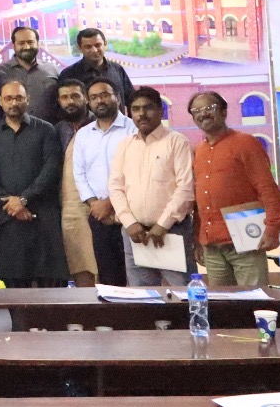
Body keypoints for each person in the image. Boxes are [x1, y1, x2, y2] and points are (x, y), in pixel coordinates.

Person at [189, 90, 280, 287]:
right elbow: (199, 202)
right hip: (212, 246)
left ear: (224, 112)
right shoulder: (199, 151)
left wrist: (273, 227)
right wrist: (197, 239)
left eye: (209, 108)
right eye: (196, 111)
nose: (203, 114)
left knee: (254, 299)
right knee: (221, 302)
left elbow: (267, 188)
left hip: (246, 241)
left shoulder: (246, 143)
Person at [0, 81, 67, 287]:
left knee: (49, 286)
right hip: (7, 217)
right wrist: (12, 203)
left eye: (19, 98)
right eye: (8, 98)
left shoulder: (46, 130)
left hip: (42, 216)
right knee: (12, 284)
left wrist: (23, 199)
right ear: (0, 101)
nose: (14, 103)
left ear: (27, 100)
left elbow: (51, 169)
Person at [110, 87, 195, 288]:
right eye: (136, 109)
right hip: (134, 233)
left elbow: (185, 188)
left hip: (172, 231)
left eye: (148, 108)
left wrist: (163, 224)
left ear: (160, 110)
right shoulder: (125, 145)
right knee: (142, 295)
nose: (141, 114)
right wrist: (129, 222)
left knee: (182, 292)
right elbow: (115, 186)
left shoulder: (177, 142)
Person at [68, 79, 136, 287]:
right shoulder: (83, 134)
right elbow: (79, 174)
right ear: (88, 102)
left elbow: (136, 172)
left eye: (105, 95)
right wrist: (95, 204)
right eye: (94, 97)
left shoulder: (133, 129)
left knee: (138, 275)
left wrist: (111, 204)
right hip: (98, 215)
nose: (100, 101)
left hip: (131, 213)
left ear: (117, 97)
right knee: (108, 277)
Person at [53, 78, 100, 287]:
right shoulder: (58, 130)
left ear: (86, 98)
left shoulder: (99, 124)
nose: (70, 101)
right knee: (79, 258)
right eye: (64, 97)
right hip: (70, 202)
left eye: (75, 96)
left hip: (101, 202)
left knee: (103, 259)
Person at [0, 26, 62, 123]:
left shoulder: (53, 70)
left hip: (49, 130)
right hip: (11, 131)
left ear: (38, 44)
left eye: (30, 42)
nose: (27, 47)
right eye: (21, 43)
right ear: (14, 46)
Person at [58, 29, 135, 111]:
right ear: (80, 48)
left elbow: (132, 101)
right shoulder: (69, 74)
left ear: (105, 44)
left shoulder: (117, 70)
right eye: (88, 47)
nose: (94, 50)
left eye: (98, 45)